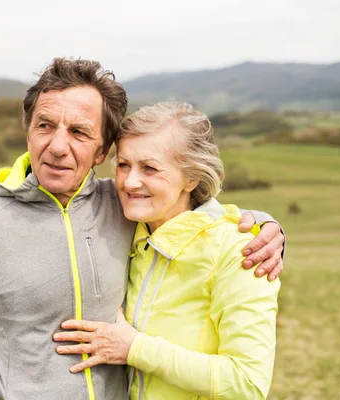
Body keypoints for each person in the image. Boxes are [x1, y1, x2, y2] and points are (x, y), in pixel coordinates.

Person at [0, 58, 284, 400]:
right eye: (45, 125)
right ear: (28, 132)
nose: (57, 146)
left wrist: (264, 227)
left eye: (79, 132)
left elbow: (193, 215)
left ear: (101, 151)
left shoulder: (125, 207)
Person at [49, 101, 280, 399]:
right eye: (123, 165)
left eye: (150, 168)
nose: (130, 182)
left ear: (192, 177)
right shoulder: (124, 228)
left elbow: (247, 383)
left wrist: (134, 348)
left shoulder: (240, 250)